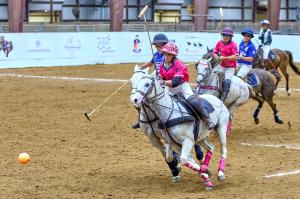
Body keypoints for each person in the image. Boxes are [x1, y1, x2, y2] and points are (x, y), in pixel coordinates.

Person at [160, 42, 215, 130]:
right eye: (165, 53)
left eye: (169, 54)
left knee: (193, 101)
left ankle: (208, 119)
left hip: (182, 87)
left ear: (173, 55)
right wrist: (160, 78)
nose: (166, 56)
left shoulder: (180, 65)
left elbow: (175, 81)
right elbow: (163, 76)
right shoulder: (162, 64)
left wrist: (162, 81)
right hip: (169, 89)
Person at [132, 33, 168, 129]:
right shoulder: (156, 55)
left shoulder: (168, 55)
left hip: (166, 79)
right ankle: (141, 118)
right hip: (157, 77)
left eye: (160, 45)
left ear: (165, 45)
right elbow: (150, 63)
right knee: (142, 95)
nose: (158, 47)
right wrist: (140, 68)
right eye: (157, 46)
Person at [212, 27, 238, 102]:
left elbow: (235, 56)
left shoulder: (233, 45)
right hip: (221, 66)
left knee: (227, 81)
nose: (226, 37)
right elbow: (214, 52)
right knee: (210, 75)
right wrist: (217, 57)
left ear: (231, 37)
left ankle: (223, 98)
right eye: (224, 35)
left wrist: (225, 58)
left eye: (228, 36)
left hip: (230, 67)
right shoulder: (219, 42)